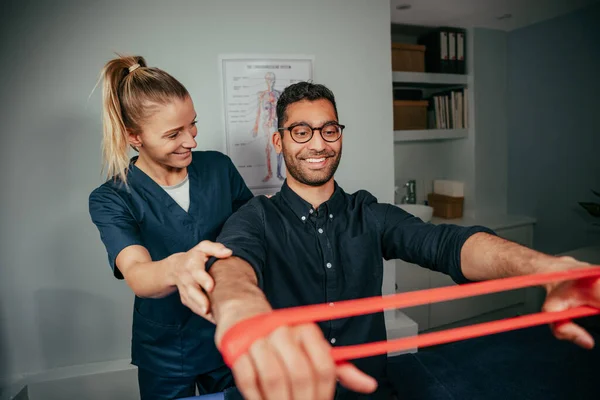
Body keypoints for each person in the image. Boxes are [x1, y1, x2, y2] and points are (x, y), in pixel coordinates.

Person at [204, 81, 599, 400]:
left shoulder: (370, 213)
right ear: (279, 142)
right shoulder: (256, 216)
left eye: (329, 129)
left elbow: (446, 244)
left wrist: (541, 268)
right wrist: (243, 310)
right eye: (301, 132)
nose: (318, 144)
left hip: (370, 390)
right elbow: (232, 268)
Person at [88, 55, 253, 400]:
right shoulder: (112, 198)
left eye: (192, 125)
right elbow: (137, 273)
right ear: (134, 136)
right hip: (166, 349)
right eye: (173, 134)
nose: (191, 140)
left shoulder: (219, 168)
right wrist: (179, 267)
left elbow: (254, 230)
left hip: (229, 331)